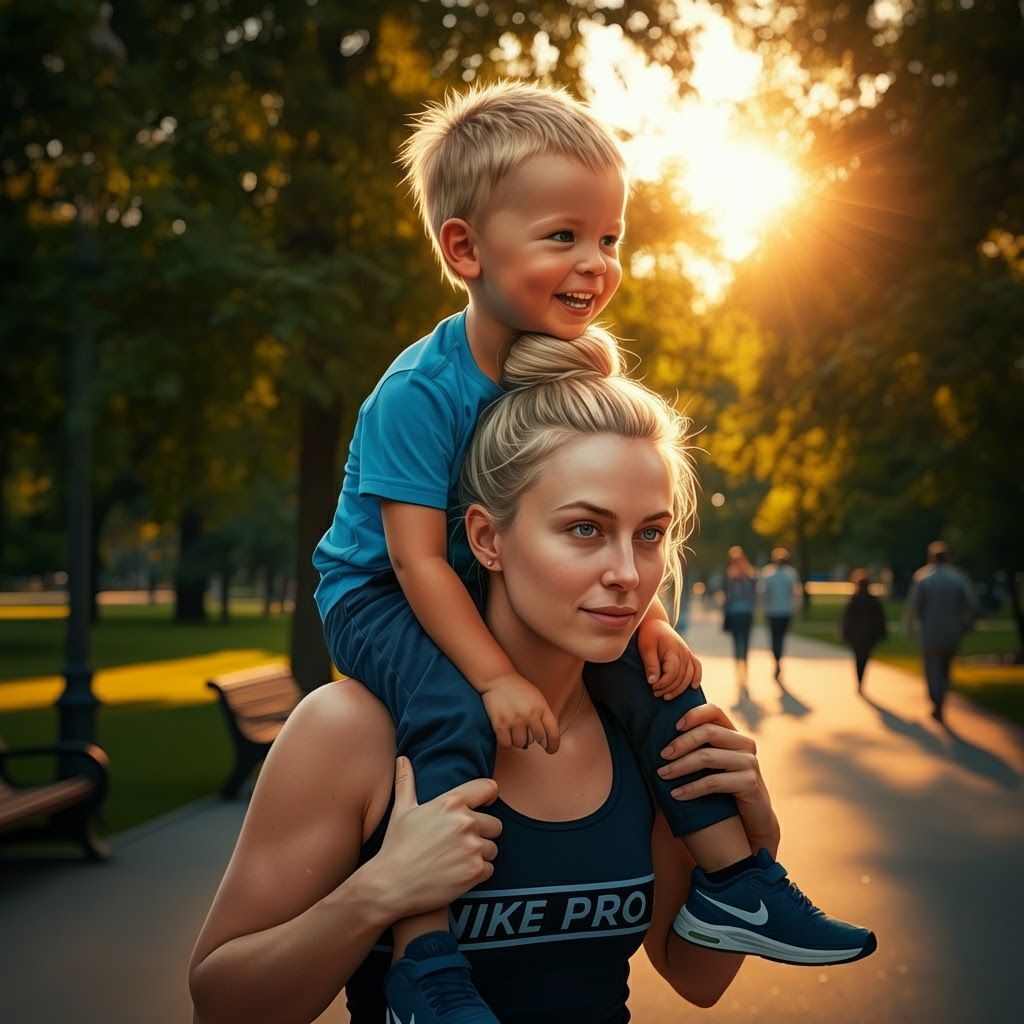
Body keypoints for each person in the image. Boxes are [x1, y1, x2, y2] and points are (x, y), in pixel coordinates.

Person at [309, 83, 872, 1022]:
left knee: (657, 691)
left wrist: (643, 619)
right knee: (446, 707)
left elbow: (692, 989)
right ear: (464, 249)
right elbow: (417, 563)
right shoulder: (420, 390)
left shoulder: (566, 373)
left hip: (459, 580)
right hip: (379, 591)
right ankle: (426, 961)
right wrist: (494, 679)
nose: (596, 264)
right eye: (562, 236)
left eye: (609, 238)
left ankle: (742, 879)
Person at [190, 332, 874, 1024]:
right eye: (584, 530)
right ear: (488, 538)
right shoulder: (351, 732)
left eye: (649, 534)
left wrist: (760, 834)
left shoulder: (643, 732)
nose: (629, 574)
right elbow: (220, 1004)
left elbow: (695, 975)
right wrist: (378, 893)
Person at [905, 541, 976, 724]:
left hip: (930, 631)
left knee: (931, 668)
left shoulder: (923, 578)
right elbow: (969, 605)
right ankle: (941, 699)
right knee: (945, 668)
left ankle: (936, 700)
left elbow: (914, 606)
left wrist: (910, 626)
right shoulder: (958, 579)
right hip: (952, 631)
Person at [759, 546, 802, 681]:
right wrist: (795, 609)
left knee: (774, 638)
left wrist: (763, 608)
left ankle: (776, 660)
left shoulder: (768, 573)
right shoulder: (791, 574)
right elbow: (796, 593)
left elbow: (763, 593)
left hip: (772, 612)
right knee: (781, 638)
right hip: (785, 612)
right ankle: (779, 659)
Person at [841, 570, 888, 693]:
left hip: (856, 636)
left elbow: (847, 619)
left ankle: (859, 681)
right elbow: (880, 619)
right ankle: (861, 681)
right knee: (865, 658)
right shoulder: (874, 601)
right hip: (869, 636)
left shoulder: (854, 600)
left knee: (858, 659)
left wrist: (845, 633)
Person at [722, 546, 757, 694]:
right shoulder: (750, 576)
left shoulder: (730, 576)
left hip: (735, 613)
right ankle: (744, 673)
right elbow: (753, 595)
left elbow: (727, 598)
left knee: (737, 643)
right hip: (746, 613)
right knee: (745, 643)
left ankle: (739, 672)